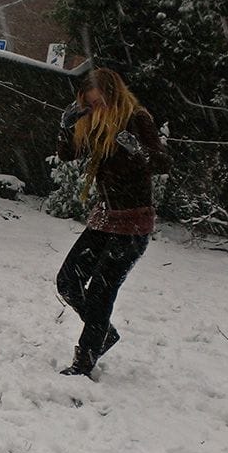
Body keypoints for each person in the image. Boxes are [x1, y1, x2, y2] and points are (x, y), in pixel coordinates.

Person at [55, 68, 170, 378]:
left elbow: (162, 163)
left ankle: (84, 361)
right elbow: (68, 154)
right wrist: (66, 126)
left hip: (133, 223)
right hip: (105, 217)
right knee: (67, 281)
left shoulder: (137, 119)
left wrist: (139, 150)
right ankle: (103, 333)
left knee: (100, 293)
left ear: (113, 96)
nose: (96, 109)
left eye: (99, 103)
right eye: (90, 104)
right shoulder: (95, 122)